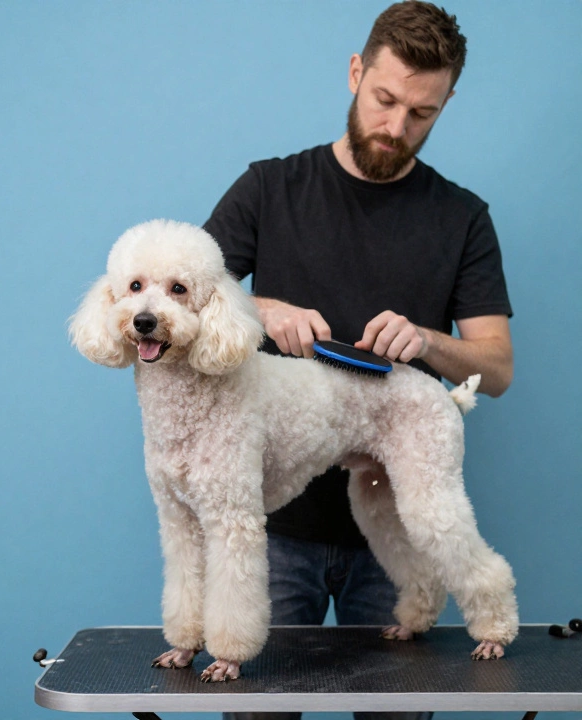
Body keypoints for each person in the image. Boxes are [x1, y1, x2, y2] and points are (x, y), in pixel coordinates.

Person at [203, 3, 512, 719]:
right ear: (355, 72)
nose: (397, 128)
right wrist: (263, 311)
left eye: (422, 113)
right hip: (273, 531)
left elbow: (496, 369)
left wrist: (430, 343)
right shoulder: (268, 186)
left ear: (447, 104)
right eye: (384, 100)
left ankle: (477, 602)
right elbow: (188, 301)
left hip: (392, 515)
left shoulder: (463, 216)